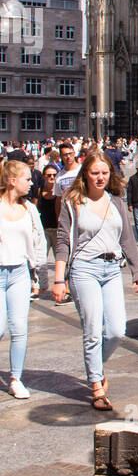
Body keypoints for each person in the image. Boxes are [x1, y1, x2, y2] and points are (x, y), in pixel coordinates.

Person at [53, 149, 138, 411]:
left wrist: (137, 272)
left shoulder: (115, 200)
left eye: (105, 173)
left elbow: (127, 237)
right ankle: (96, 385)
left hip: (112, 268)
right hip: (84, 269)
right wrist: (59, 279)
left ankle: (95, 365)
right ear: (86, 174)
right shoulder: (74, 201)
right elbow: (62, 242)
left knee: (117, 331)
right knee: (92, 329)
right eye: (95, 173)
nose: (100, 178)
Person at [0, 159, 47, 399]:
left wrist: (35, 270)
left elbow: (39, 239)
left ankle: (15, 378)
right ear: (12, 181)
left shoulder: (29, 208)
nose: (31, 183)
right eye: (27, 179)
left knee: (19, 328)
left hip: (19, 272)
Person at [35, 164, 59, 293]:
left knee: (60, 260)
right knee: (40, 260)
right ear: (44, 176)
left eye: (54, 175)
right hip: (43, 230)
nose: (51, 177)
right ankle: (38, 286)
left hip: (57, 230)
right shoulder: (39, 191)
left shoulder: (59, 191)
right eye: (48, 175)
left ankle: (63, 288)